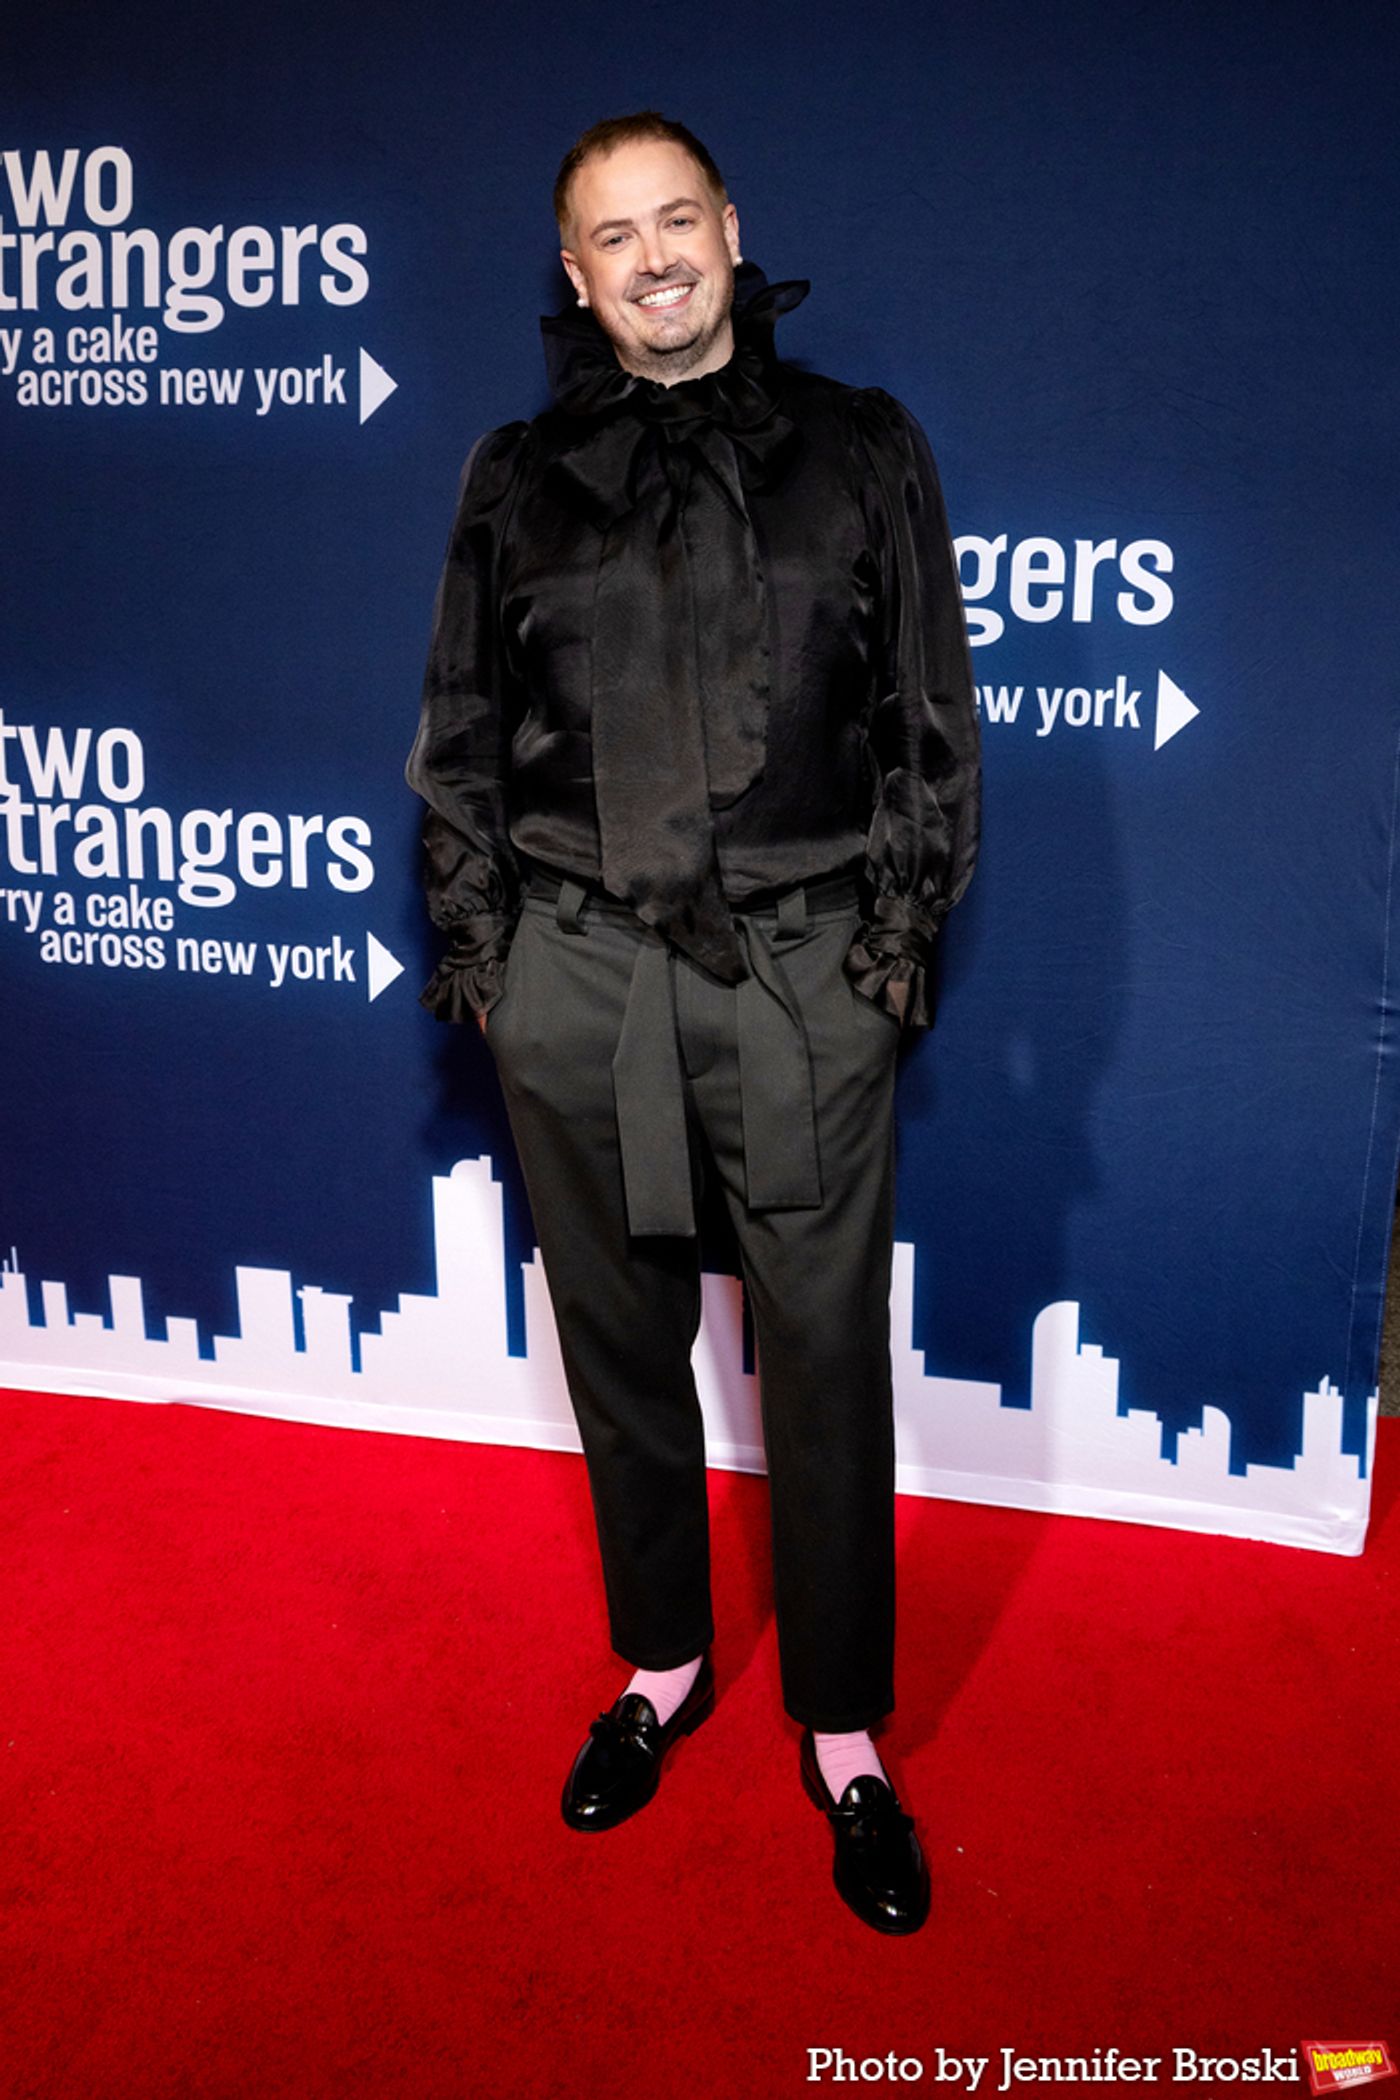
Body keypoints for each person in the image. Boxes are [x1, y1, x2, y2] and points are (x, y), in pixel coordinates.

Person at [406, 111, 980, 1935]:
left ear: (731, 230)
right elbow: (459, 732)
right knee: (619, 1343)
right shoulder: (512, 471)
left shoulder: (865, 448)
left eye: (679, 220)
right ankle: (658, 1670)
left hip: (806, 971)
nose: (654, 258)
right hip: (574, 970)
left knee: (820, 1361)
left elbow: (926, 718)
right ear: (572, 276)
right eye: (612, 237)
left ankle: (846, 1734)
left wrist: (888, 956)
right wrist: (495, 969)